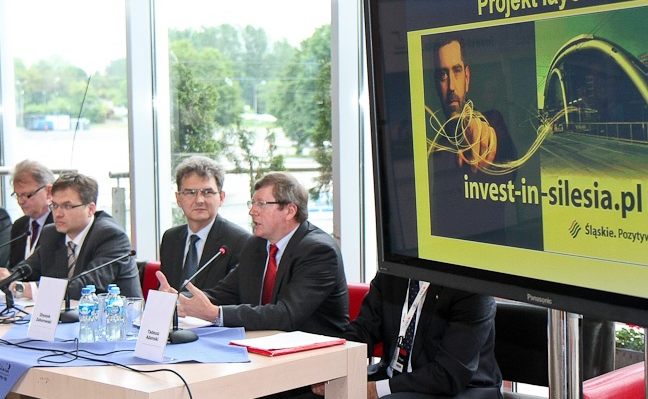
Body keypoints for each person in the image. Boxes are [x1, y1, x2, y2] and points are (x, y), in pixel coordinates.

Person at [155, 171, 348, 336]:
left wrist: (215, 314)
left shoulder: (318, 251)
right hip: (263, 344)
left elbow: (286, 315)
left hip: (317, 354)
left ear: (290, 211)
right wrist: (181, 300)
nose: (252, 211)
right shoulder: (256, 245)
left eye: (261, 204)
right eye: (252, 203)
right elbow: (226, 293)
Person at [313, 272, 503, 399]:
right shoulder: (393, 273)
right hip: (396, 377)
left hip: (458, 389)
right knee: (312, 393)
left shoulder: (470, 289)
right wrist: (332, 369)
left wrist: (373, 390)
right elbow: (363, 329)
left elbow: (447, 375)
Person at [428, 33, 517, 245]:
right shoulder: (436, 142)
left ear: (467, 78)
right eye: (443, 75)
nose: (451, 86)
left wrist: (482, 134)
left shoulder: (492, 120)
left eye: (456, 71)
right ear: (436, 84)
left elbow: (506, 156)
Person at [0, 172, 142, 301]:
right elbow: (28, 269)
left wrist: (25, 289)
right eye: (55, 205)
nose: (58, 214)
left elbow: (85, 287)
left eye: (67, 206)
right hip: (65, 316)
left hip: (116, 317)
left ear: (90, 209)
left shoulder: (111, 236)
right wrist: (9, 276)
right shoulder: (52, 234)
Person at [158, 156, 250, 292]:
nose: (199, 200)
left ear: (221, 197)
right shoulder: (170, 238)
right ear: (178, 199)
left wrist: (183, 300)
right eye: (190, 192)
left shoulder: (239, 241)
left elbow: (234, 296)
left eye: (207, 192)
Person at [5, 160, 55, 268]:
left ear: (48, 192)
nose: (20, 201)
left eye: (26, 195)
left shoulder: (60, 225)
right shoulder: (19, 226)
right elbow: (14, 266)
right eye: (17, 195)